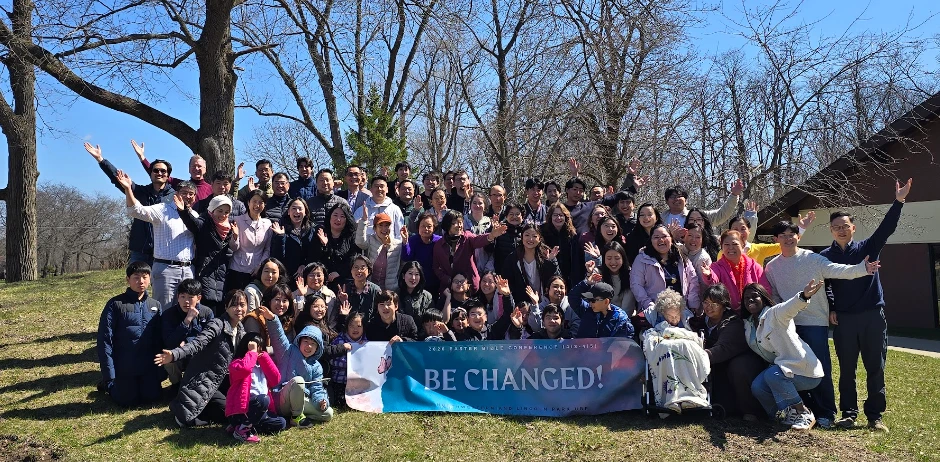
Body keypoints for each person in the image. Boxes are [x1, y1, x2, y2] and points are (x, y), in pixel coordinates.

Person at [764, 220, 881, 428]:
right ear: (776, 239)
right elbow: (774, 297)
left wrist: (862, 269)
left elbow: (839, 270)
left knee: (820, 368)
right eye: (783, 235)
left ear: (798, 236)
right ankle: (805, 411)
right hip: (789, 326)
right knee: (793, 368)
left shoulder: (813, 259)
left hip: (815, 323)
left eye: (792, 234)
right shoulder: (772, 267)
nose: (788, 238)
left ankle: (827, 413)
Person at [822, 178, 911, 432]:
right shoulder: (824, 258)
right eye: (836, 227)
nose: (841, 230)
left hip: (873, 316)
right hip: (844, 320)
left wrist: (899, 201)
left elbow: (886, 228)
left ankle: (875, 416)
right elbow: (826, 287)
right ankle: (848, 414)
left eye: (845, 226)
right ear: (831, 231)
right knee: (846, 370)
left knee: (875, 367)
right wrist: (832, 308)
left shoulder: (868, 248)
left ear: (853, 228)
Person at [156, 289, 249, 427]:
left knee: (242, 406)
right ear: (226, 307)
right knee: (229, 413)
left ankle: (203, 408)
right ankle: (184, 410)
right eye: (234, 305)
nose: (239, 309)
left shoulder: (240, 328)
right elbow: (196, 344)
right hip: (204, 380)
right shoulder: (217, 324)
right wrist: (174, 354)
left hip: (221, 379)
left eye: (242, 304)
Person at [743, 281, 825, 431]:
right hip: (782, 371)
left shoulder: (774, 314)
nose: (750, 300)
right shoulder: (748, 324)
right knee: (758, 386)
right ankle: (785, 416)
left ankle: (804, 414)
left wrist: (803, 296)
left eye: (754, 296)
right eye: (746, 298)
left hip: (804, 370)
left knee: (772, 375)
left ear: (763, 298)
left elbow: (789, 307)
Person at [85, 141, 174, 265]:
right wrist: (100, 159)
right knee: (135, 278)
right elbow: (118, 179)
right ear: (151, 173)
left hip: (164, 252)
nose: (159, 173)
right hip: (140, 251)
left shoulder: (175, 197)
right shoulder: (140, 192)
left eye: (163, 171)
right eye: (156, 170)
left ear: (168, 175)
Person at [117, 170, 195, 308]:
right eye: (184, 193)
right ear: (176, 194)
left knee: (186, 310)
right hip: (166, 269)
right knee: (164, 310)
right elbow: (136, 210)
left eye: (191, 194)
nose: (187, 196)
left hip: (188, 269)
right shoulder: (162, 209)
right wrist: (128, 189)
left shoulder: (194, 215)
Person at [97, 261, 167, 407]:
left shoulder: (155, 305)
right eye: (136, 277)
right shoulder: (115, 304)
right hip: (124, 365)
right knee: (127, 401)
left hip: (147, 365)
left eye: (145, 277)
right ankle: (108, 385)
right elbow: (105, 340)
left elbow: (159, 340)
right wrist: (109, 374)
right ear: (128, 279)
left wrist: (160, 371)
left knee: (152, 398)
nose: (141, 281)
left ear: (150, 279)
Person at [692, 284, 765, 420]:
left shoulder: (733, 323)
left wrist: (694, 356)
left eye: (714, 303)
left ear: (724, 305)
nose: (709, 307)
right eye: (706, 302)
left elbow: (723, 349)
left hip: (735, 365)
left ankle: (751, 411)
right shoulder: (699, 322)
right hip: (712, 365)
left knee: (739, 366)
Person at [256, 304, 334, 427]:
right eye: (306, 341)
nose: (308, 346)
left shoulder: (317, 366)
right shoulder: (288, 351)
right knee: (298, 381)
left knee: (328, 413)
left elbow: (317, 388)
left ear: (317, 347)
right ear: (299, 341)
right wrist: (272, 319)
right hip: (282, 400)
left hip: (301, 400)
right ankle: (296, 417)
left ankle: (298, 413)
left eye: (313, 344)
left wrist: (321, 401)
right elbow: (278, 336)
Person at [641, 289, 710, 412]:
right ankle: (671, 397)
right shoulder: (654, 318)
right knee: (665, 347)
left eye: (676, 316)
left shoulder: (688, 319)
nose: (674, 320)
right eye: (670, 316)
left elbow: (694, 336)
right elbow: (650, 336)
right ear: (663, 313)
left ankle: (691, 396)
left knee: (685, 346)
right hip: (665, 350)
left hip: (685, 350)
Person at [175, 194, 235, 314]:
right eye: (220, 211)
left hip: (222, 276)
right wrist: (183, 212)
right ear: (212, 210)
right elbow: (192, 222)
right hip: (205, 274)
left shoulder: (230, 228)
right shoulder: (204, 223)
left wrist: (235, 237)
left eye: (226, 212)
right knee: (206, 310)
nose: (223, 215)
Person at [225, 333, 287, 443]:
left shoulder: (261, 366)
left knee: (281, 422)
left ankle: (242, 426)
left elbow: (276, 379)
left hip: (259, 411)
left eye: (259, 347)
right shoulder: (236, 364)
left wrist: (264, 357)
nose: (257, 350)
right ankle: (242, 430)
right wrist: (252, 352)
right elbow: (245, 369)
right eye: (253, 346)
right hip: (242, 410)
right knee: (263, 399)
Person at [631, 224, 700, 317]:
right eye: (656, 237)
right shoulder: (642, 259)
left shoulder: (680, 256)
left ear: (671, 239)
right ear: (651, 240)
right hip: (654, 312)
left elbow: (693, 280)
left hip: (682, 310)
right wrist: (650, 306)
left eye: (664, 236)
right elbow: (636, 285)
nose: (661, 240)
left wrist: (692, 304)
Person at [433, 210, 507, 294]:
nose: (459, 225)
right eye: (455, 223)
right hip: (449, 288)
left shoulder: (467, 237)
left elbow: (478, 240)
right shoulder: (439, 245)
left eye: (460, 222)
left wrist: (492, 235)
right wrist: (448, 279)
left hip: (469, 286)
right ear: (447, 225)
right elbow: (436, 267)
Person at [160, 278, 215, 388]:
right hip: (177, 353)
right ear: (177, 297)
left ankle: (197, 384)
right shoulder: (169, 314)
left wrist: (187, 342)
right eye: (183, 297)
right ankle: (176, 385)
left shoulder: (206, 312)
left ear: (198, 298)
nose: (186, 301)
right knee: (169, 361)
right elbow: (169, 342)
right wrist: (187, 321)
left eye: (190, 297)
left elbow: (210, 338)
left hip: (199, 353)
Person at [701, 230, 771, 313]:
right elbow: (714, 279)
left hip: (753, 312)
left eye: (735, 244)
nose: (731, 248)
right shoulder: (717, 266)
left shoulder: (754, 266)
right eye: (726, 244)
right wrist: (709, 275)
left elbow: (765, 290)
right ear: (722, 247)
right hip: (728, 314)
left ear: (742, 245)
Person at [501, 223, 560, 309]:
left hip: (544, 303)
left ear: (539, 239)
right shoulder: (513, 258)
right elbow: (508, 281)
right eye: (527, 235)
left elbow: (555, 279)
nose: (530, 239)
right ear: (522, 237)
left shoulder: (545, 256)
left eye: (534, 236)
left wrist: (551, 261)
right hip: (522, 305)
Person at [227, 189, 274, 293]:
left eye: (261, 202)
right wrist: (235, 236)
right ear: (248, 203)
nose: (257, 205)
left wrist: (260, 266)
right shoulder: (238, 220)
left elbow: (267, 248)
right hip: (238, 269)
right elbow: (234, 248)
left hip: (257, 271)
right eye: (254, 201)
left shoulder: (267, 223)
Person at [294, 293, 348, 380]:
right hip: (312, 373)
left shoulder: (321, 323)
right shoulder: (308, 327)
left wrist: (342, 317)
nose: (320, 309)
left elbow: (332, 335)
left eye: (323, 307)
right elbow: (321, 351)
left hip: (323, 371)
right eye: (315, 306)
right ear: (308, 307)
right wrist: (342, 348)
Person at [135, 142, 212, 200]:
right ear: (189, 169)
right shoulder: (180, 185)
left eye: (199, 166)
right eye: (193, 166)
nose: (196, 168)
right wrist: (142, 157)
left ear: (205, 169)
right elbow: (158, 175)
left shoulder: (211, 189)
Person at [661, 180, 743, 229]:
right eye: (672, 196)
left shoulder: (697, 216)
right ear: (666, 201)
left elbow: (720, 215)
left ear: (686, 200)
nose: (676, 199)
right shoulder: (660, 219)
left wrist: (734, 195)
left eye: (679, 196)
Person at [567, 279, 634, 339]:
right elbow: (573, 297)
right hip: (583, 349)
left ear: (606, 301)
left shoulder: (620, 320)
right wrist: (586, 282)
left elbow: (622, 344)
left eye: (593, 300)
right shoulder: (587, 310)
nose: (590, 303)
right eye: (589, 300)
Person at [312, 202, 358, 288]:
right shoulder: (321, 233)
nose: (338, 219)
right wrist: (324, 245)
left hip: (345, 279)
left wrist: (339, 272)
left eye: (342, 216)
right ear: (330, 217)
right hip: (323, 279)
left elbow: (352, 258)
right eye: (335, 215)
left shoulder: (352, 236)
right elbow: (315, 258)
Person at [355, 210, 404, 291]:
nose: (384, 228)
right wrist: (363, 221)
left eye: (387, 225)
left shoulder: (398, 245)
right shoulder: (370, 240)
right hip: (371, 289)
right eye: (380, 225)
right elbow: (360, 242)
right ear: (375, 228)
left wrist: (406, 243)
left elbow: (403, 265)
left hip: (390, 290)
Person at [271, 197, 316, 281]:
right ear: (288, 212)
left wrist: (305, 265)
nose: (297, 211)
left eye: (300, 209)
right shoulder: (280, 228)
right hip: (286, 276)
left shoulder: (312, 230)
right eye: (294, 208)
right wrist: (280, 236)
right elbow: (277, 257)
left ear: (305, 212)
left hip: (306, 275)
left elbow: (313, 254)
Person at [329, 312, 367, 407]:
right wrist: (351, 362)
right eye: (351, 326)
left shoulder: (367, 343)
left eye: (359, 326)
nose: (355, 329)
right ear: (346, 327)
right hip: (340, 382)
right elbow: (332, 360)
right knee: (341, 402)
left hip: (359, 382)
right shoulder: (339, 341)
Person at [243, 283, 297, 349]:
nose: (281, 304)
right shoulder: (254, 318)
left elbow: (288, 348)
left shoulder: (288, 322)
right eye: (277, 299)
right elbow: (254, 348)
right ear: (269, 301)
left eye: (284, 300)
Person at [402, 211, 442, 293]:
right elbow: (406, 258)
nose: (426, 229)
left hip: (435, 281)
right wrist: (405, 242)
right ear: (418, 227)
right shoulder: (413, 240)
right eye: (423, 226)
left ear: (434, 228)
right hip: (416, 282)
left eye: (429, 226)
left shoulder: (439, 241)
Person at [337, 255, 383, 327]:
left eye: (362, 267)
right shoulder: (345, 289)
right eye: (356, 267)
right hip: (350, 329)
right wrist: (343, 303)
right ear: (351, 270)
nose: (359, 271)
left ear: (369, 271)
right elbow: (339, 319)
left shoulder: (376, 290)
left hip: (370, 329)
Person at [294, 262, 339, 331]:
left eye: (319, 275)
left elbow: (333, 318)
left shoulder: (330, 294)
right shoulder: (296, 293)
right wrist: (300, 296)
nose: (315, 278)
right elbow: (296, 315)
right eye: (311, 275)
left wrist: (327, 331)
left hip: (326, 331)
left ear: (324, 276)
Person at [454, 295, 521, 341]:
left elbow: (508, 315)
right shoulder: (463, 337)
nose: (477, 317)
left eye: (479, 314)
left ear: (486, 317)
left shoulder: (493, 331)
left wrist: (507, 296)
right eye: (473, 314)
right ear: (468, 320)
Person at [397, 262, 435, 337]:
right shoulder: (395, 294)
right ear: (403, 276)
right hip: (400, 338)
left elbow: (429, 320)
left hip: (421, 339)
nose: (413, 278)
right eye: (410, 273)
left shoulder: (427, 296)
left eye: (417, 274)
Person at [464, 192, 494, 274]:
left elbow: (493, 249)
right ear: (470, 205)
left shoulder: (490, 223)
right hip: (467, 266)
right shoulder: (463, 221)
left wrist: (489, 269)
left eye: (480, 203)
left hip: (486, 266)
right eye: (474, 203)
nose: (477, 205)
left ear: (485, 206)